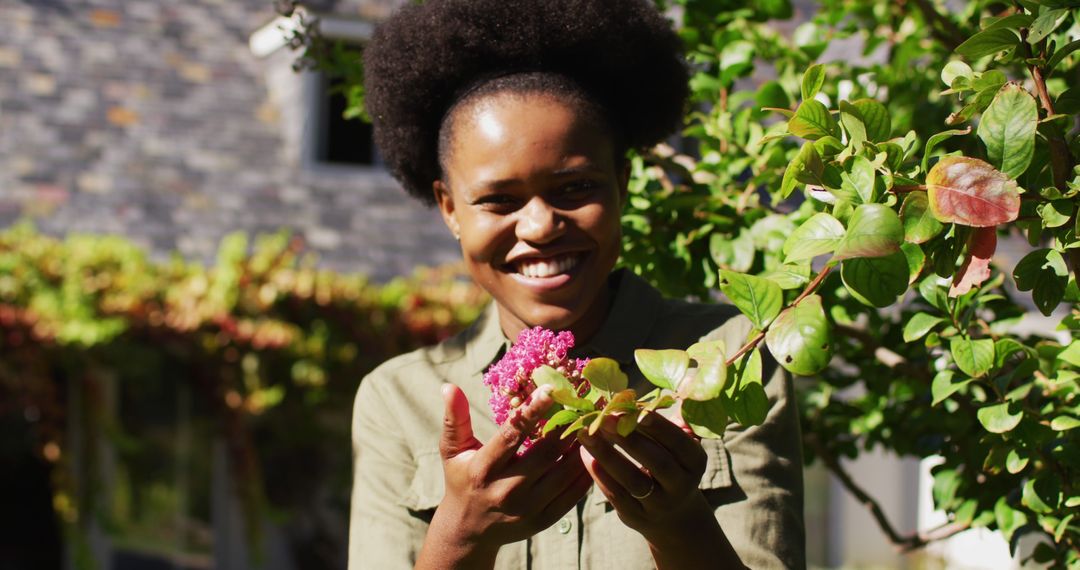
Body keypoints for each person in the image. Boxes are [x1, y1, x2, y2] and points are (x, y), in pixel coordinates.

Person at [349, 0, 805, 568]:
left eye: (574, 188)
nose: (540, 226)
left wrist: (680, 524)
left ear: (622, 182)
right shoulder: (397, 399)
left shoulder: (730, 354)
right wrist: (462, 537)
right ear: (448, 207)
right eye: (499, 200)